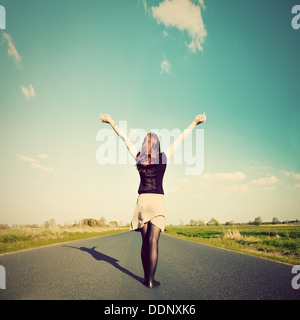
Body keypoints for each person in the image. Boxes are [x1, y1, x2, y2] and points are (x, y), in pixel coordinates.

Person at [99, 113, 207, 288]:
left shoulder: (139, 157)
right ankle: (150, 280)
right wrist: (195, 122)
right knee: (154, 241)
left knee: (144, 242)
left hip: (142, 202)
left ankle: (144, 277)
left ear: (144, 144)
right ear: (158, 145)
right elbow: (181, 139)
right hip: (157, 201)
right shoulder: (163, 157)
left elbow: (124, 138)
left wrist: (111, 122)